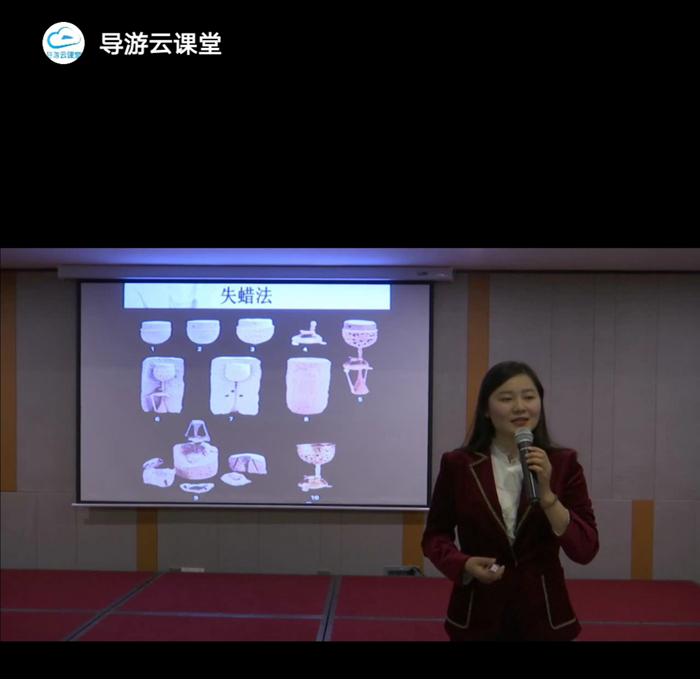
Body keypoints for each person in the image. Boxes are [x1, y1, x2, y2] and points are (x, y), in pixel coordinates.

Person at [422, 361, 598, 641]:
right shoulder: (458, 464)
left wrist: (548, 497)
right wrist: (463, 564)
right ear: (486, 409)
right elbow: (435, 536)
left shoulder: (564, 463)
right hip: (477, 614)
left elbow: (585, 549)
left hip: (545, 617)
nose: (520, 407)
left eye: (529, 397)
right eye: (506, 399)